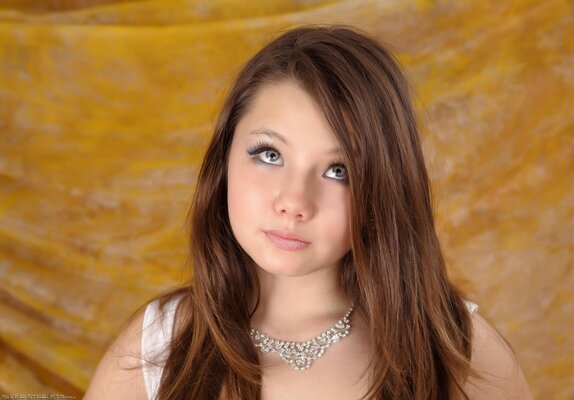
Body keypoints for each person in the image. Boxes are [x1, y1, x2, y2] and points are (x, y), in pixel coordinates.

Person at [84, 24, 532, 399]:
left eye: (339, 170)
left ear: (385, 188)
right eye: (269, 154)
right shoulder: (157, 346)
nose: (294, 202)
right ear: (223, 159)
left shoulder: (458, 351)